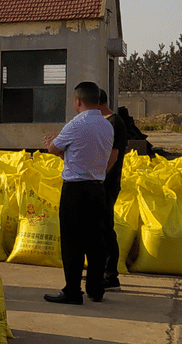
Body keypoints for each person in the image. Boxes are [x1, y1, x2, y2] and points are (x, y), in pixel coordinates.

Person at [42, 81, 115, 304]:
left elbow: (54, 149)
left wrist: (50, 143)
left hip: (75, 189)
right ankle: (95, 288)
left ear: (78, 100)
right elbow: (87, 155)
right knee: (96, 241)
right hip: (97, 188)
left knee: (72, 241)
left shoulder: (76, 124)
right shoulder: (107, 125)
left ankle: (72, 290)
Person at [98, 90, 129, 290]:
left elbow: (113, 155)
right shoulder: (104, 123)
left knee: (105, 228)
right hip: (99, 183)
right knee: (97, 229)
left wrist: (99, 177)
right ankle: (99, 272)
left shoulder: (115, 123)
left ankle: (111, 276)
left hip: (106, 184)